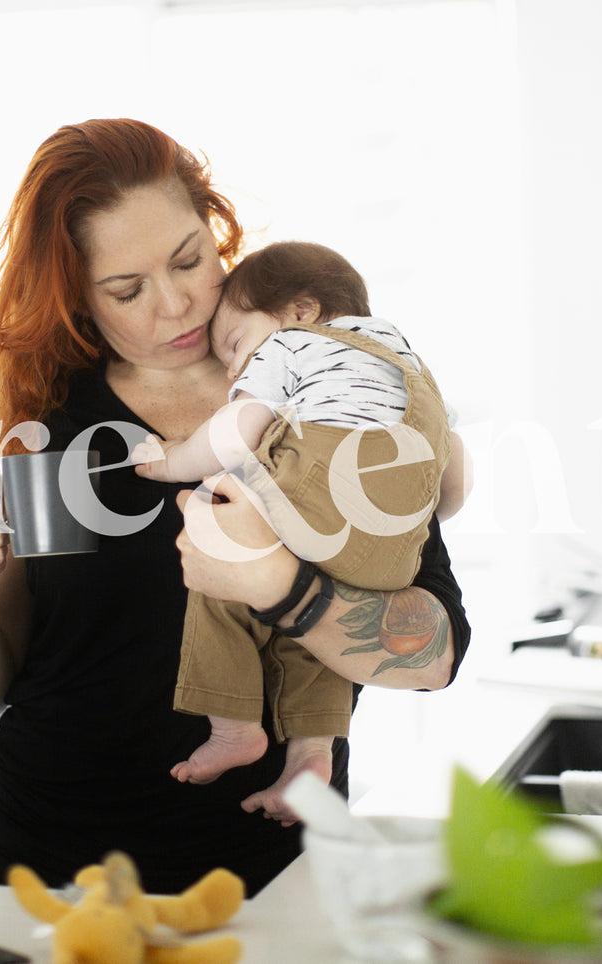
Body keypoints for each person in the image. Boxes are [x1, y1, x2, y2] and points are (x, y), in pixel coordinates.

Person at [0, 118, 471, 897]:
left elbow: (432, 658)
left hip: (278, 881)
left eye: (188, 260)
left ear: (218, 232)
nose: (174, 305)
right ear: (75, 295)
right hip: (49, 877)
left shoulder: (327, 389)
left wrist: (283, 587)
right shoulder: (54, 421)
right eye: (125, 289)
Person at [130, 241, 461, 798]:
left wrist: (171, 461)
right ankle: (311, 754)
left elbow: (236, 429)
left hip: (325, 490)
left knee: (218, 556)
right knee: (315, 628)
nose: (232, 364)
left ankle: (234, 728)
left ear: (302, 311)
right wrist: (414, 518)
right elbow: (453, 469)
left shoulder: (292, 346)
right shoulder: (408, 360)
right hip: (396, 537)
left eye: (234, 344)